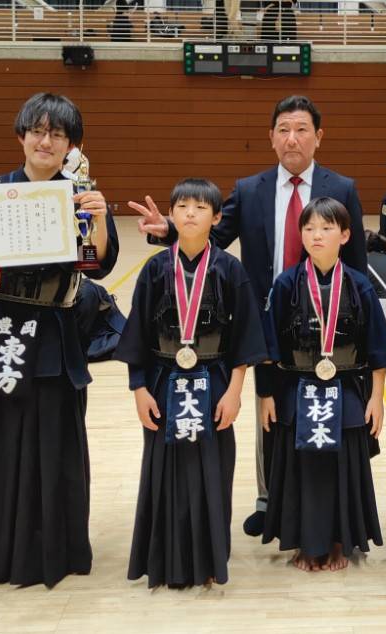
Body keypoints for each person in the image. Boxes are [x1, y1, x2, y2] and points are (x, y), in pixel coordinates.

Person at [134, 94, 368, 539]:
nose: (292, 138)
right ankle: (268, 498)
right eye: (283, 130)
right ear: (271, 137)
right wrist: (169, 230)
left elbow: (354, 261)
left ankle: (323, 503)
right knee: (269, 408)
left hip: (328, 319)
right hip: (268, 317)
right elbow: (214, 236)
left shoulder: (342, 189)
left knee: (322, 405)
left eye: (301, 129)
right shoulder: (249, 189)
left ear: (319, 137)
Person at [0, 92, 119, 589]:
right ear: (21, 136)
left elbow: (99, 263)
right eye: (37, 130)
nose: (45, 141)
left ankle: (48, 555)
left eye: (57, 134)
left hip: (52, 335)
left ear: (71, 146)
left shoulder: (81, 197)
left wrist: (99, 218)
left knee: (51, 446)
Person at [117, 179, 268, 588]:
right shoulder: (155, 269)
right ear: (171, 215)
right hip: (163, 381)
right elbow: (137, 335)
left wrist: (235, 392)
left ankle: (210, 559)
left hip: (214, 379)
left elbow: (245, 338)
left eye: (200, 208)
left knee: (212, 471)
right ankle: (163, 559)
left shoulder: (230, 270)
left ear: (217, 218)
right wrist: (139, 389)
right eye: (182, 206)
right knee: (162, 470)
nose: (189, 213)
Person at [258, 197, 386, 571]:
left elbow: (378, 349)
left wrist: (376, 399)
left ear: (345, 235)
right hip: (296, 388)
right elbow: (268, 349)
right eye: (309, 228)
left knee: (341, 466)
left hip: (346, 388)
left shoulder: (359, 285)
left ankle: (338, 541)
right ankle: (305, 542)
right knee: (301, 467)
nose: (317, 235)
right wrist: (266, 395)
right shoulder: (286, 284)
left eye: (326, 227)